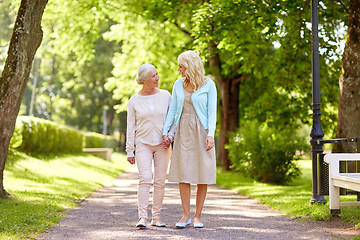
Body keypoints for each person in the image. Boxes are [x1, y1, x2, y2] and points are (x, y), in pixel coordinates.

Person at [162, 50, 217, 229]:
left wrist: (211, 134)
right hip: (183, 130)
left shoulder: (209, 85)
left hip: (202, 131)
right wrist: (166, 131)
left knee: (203, 173)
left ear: (190, 66)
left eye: (181, 66)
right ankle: (185, 215)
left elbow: (212, 112)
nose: (178, 70)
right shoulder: (178, 84)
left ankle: (197, 216)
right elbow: (173, 110)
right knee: (183, 172)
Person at [126, 63, 173, 228]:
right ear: (144, 80)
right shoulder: (134, 100)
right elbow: (130, 127)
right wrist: (129, 150)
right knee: (145, 179)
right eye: (153, 76)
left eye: (157, 74)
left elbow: (172, 119)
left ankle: (157, 218)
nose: (157, 78)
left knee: (160, 181)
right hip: (143, 144)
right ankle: (142, 218)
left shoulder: (166, 95)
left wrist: (170, 136)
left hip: (163, 145)